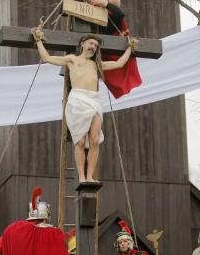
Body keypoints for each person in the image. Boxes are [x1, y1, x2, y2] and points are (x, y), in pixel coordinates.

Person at [31, 27, 137, 183]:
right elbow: (46, 57)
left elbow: (119, 64)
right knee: (80, 142)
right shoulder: (72, 59)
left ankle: (90, 176)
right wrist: (38, 40)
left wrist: (130, 48)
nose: (93, 47)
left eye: (95, 46)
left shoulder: (96, 65)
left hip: (94, 99)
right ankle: (82, 177)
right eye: (91, 43)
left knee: (94, 140)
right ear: (82, 44)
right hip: (77, 99)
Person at [65, 0, 142, 98]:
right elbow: (67, 9)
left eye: (107, 0)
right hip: (81, 49)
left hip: (98, 54)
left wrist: (102, 2)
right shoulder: (93, 9)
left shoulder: (113, 19)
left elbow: (119, 14)